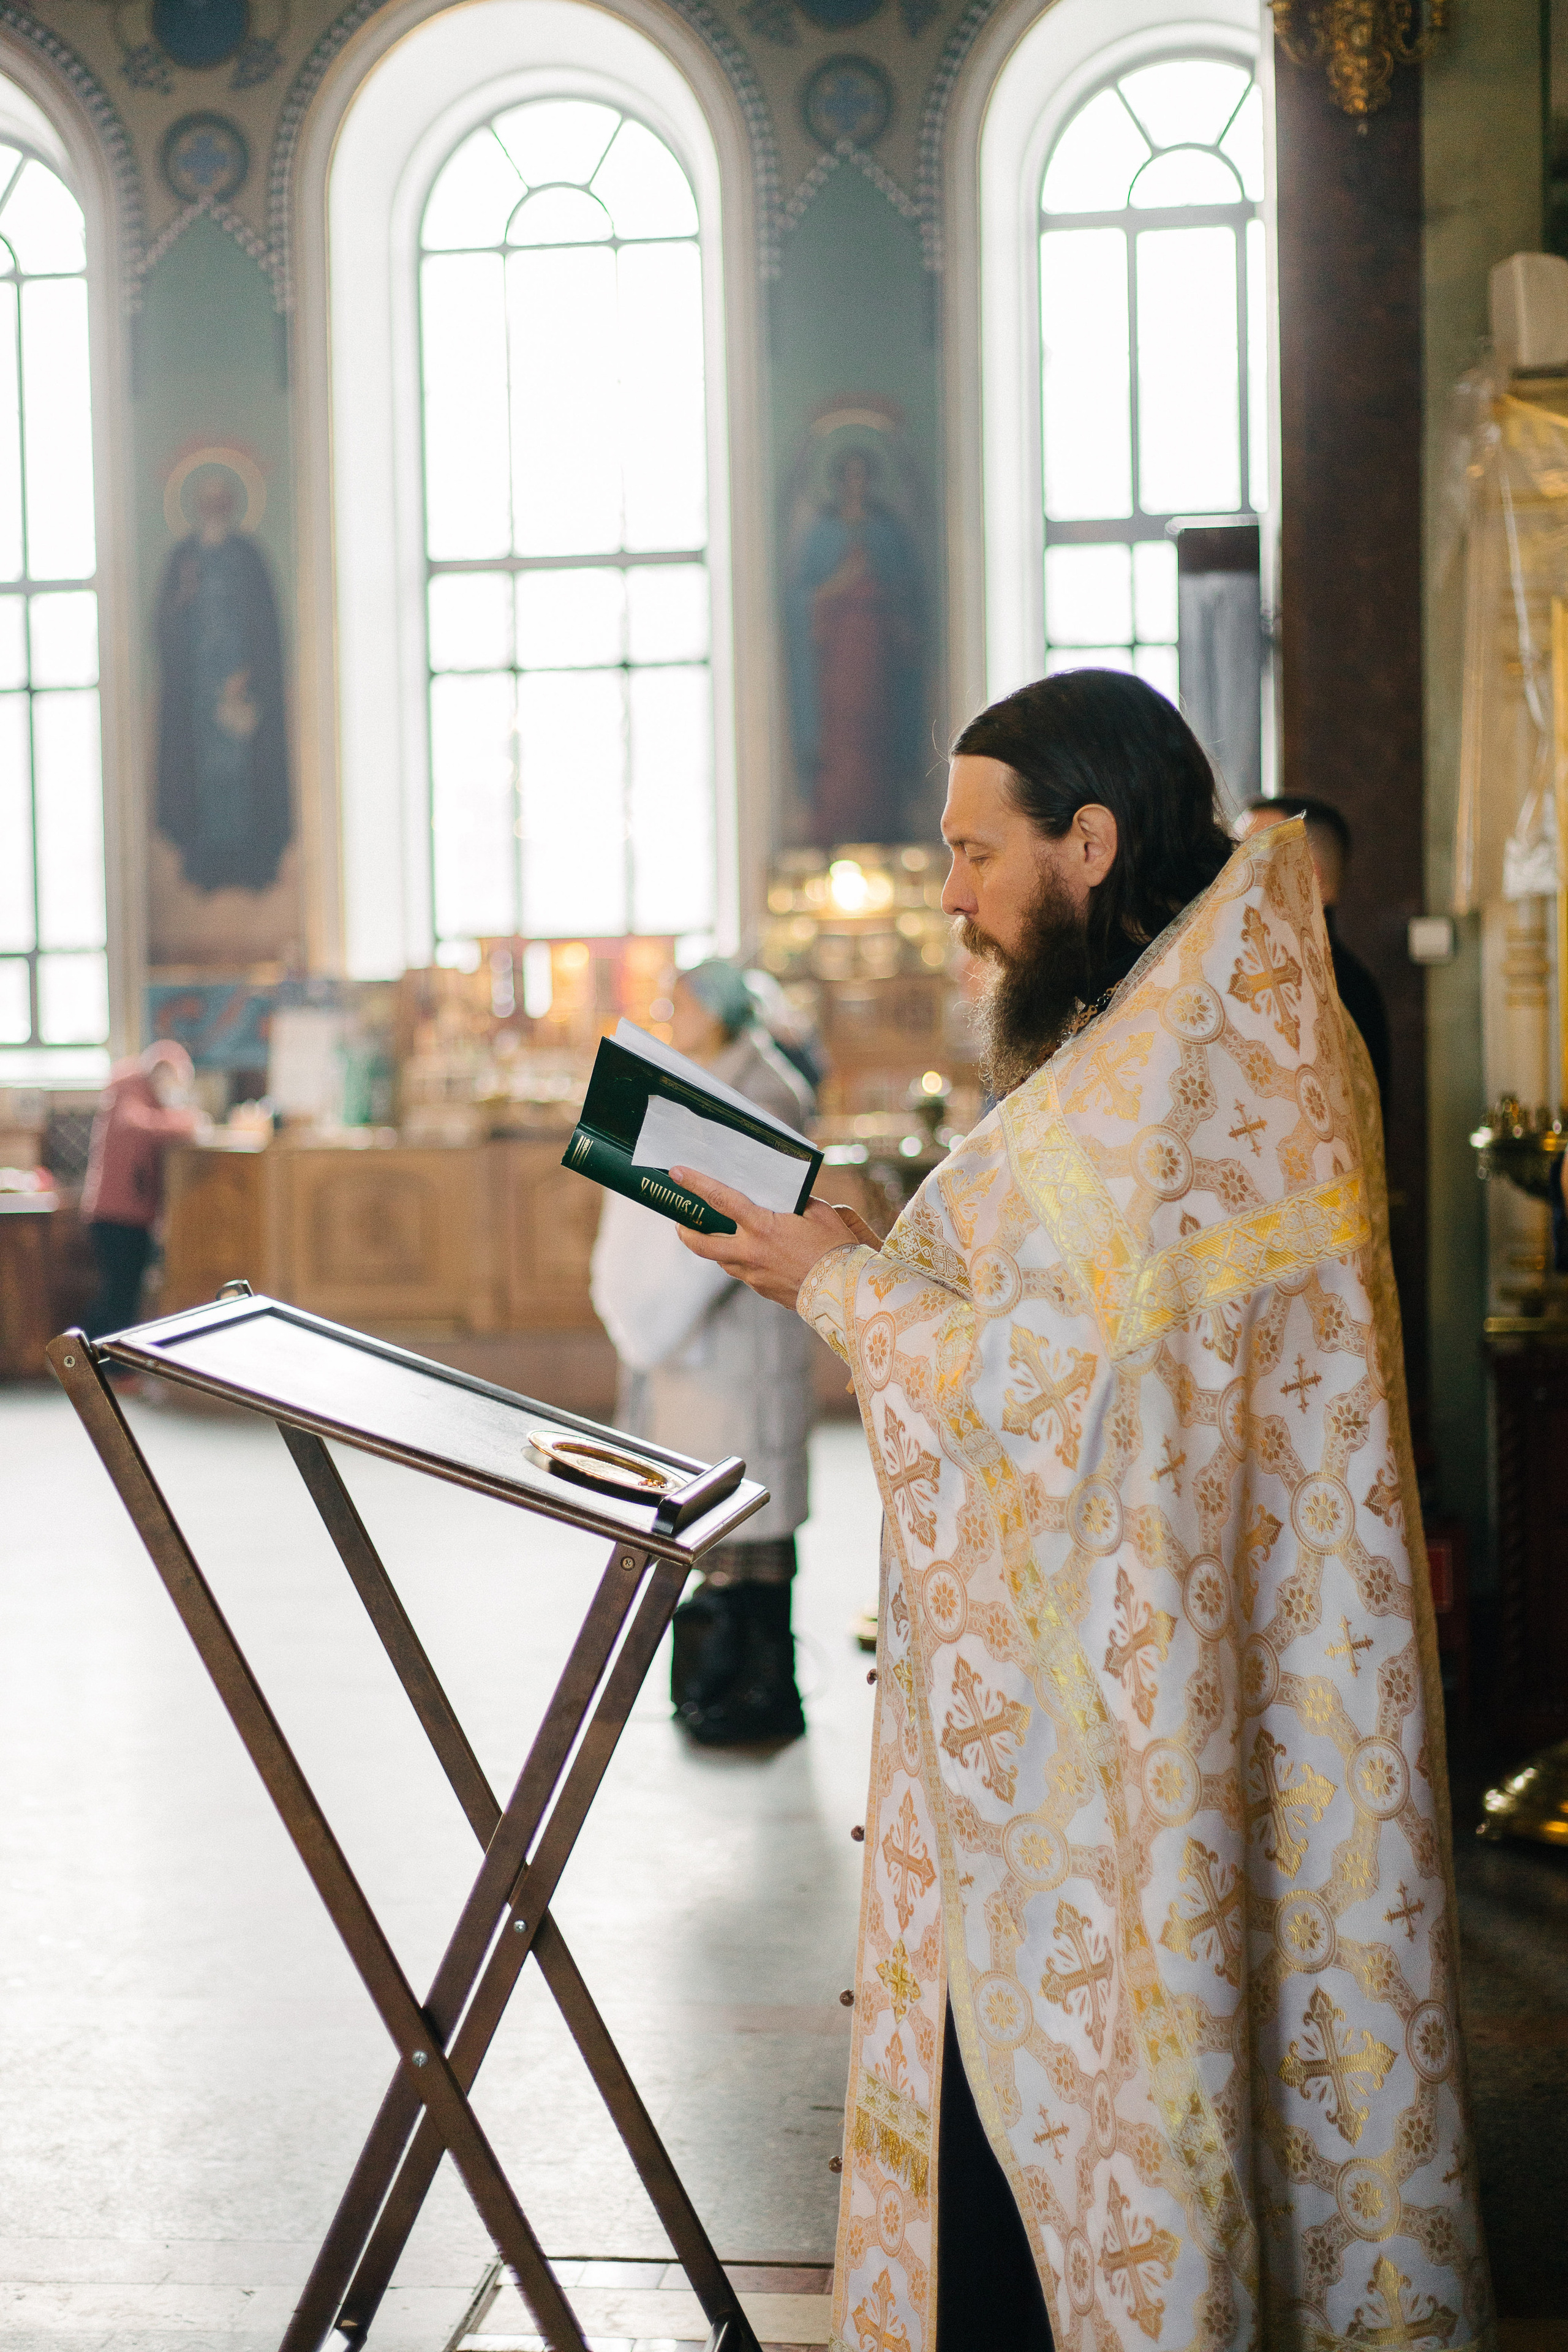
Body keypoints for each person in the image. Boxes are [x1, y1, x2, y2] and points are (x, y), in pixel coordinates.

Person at [668, 673, 1489, 2350]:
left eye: (977, 853)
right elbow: (1084, 1331)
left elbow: (1076, 1401)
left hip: (1123, 1746)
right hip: (1099, 1704)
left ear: (1091, 842)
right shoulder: (1172, 1031)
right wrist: (874, 1246)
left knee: (1101, 2104)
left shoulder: (1199, 1057)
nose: (953, 895)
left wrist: (847, 1294)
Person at [590, 960, 818, 1746]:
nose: (670, 1012)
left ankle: (752, 1690)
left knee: (747, 1514)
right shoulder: (705, 1079)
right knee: (711, 1515)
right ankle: (718, 1685)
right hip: (699, 1344)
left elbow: (748, 1213)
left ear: (720, 1010)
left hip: (740, 1333)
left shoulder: (766, 1088)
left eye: (681, 1001)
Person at [1235, 793, 1392, 1114]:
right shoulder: (1351, 981)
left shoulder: (1335, 987)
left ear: (1308, 873)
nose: (1232, 879)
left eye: (1250, 859)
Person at [80, 1040, 202, 1338]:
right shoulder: (130, 1086)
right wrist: (187, 1122)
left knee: (125, 1293)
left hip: (133, 1213)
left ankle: (91, 1360)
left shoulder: (146, 1092)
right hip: (116, 1213)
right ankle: (85, 1358)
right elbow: (134, 1122)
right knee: (120, 1293)